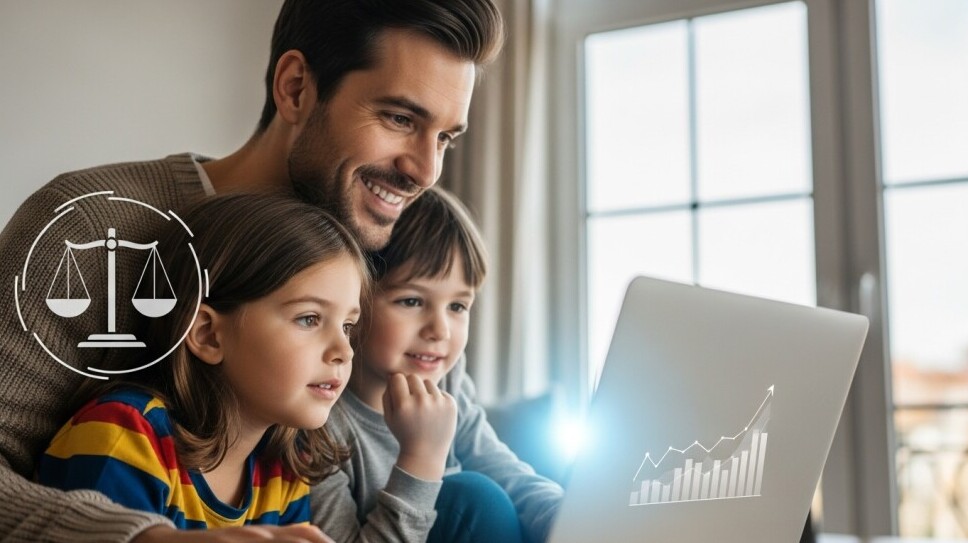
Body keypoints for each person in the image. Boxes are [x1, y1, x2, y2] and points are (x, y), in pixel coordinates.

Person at [0, 1, 504, 541]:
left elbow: (485, 456)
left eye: (447, 138)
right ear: (294, 88)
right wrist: (150, 538)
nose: (427, 172)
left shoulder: (395, 251)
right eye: (400, 119)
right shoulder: (92, 229)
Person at [39, 194, 366, 531]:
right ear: (209, 335)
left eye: (347, 326)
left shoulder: (284, 471)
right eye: (309, 319)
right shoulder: (125, 436)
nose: (344, 350)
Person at [312, 188, 564, 543]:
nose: (439, 330)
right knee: (475, 499)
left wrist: (569, 515)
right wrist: (421, 457)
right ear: (353, 303)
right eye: (412, 301)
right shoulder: (318, 421)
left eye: (458, 307)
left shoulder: (447, 381)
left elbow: (502, 469)